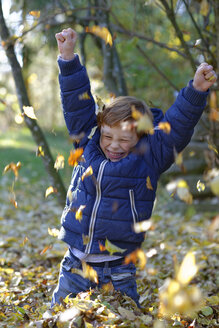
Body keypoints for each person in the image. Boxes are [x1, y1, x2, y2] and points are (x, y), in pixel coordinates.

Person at [52, 28, 217, 307]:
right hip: (75, 265)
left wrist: (196, 91)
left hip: (118, 270)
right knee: (58, 316)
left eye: (124, 139)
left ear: (140, 137)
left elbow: (176, 128)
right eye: (108, 137)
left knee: (127, 317)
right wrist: (68, 58)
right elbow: (76, 105)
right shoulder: (87, 146)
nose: (114, 145)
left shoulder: (148, 158)